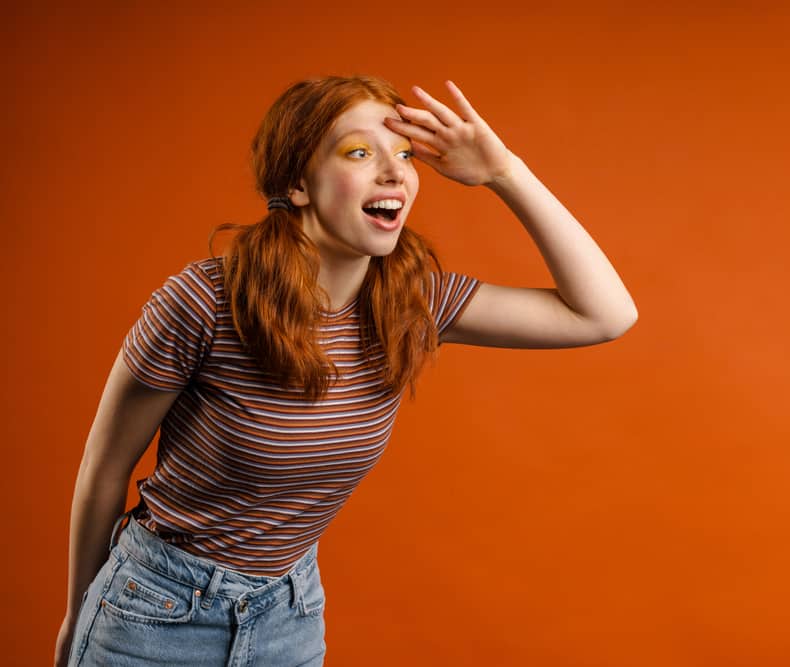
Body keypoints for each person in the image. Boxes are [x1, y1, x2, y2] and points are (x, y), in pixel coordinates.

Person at [54, 74, 637, 666]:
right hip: (155, 608)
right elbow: (105, 467)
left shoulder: (411, 302)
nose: (395, 173)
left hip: (289, 611)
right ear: (296, 183)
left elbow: (603, 315)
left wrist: (504, 172)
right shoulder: (204, 304)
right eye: (361, 152)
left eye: (405, 155)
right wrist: (80, 612)